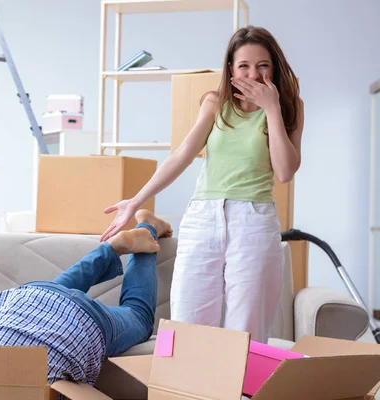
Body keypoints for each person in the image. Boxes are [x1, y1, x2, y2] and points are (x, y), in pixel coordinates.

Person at [99, 26, 304, 344]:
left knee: (246, 329)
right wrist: (136, 200)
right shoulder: (215, 102)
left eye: (262, 65)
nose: (253, 74)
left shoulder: (289, 106)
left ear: (274, 67)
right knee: (186, 322)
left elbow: (285, 171)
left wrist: (272, 108)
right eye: (244, 66)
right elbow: (182, 154)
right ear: (231, 70)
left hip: (254, 220)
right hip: (203, 217)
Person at [0, 210, 172, 386]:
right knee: (51, 294)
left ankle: (148, 228)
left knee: (140, 316)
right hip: (23, 299)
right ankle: (111, 248)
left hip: (80, 319)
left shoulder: (37, 389)